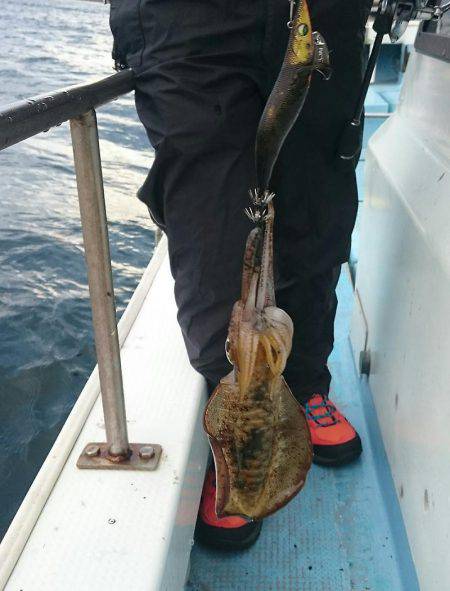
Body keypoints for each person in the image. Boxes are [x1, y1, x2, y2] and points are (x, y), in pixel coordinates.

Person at [110, 0, 372, 551]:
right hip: (188, 22)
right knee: (211, 225)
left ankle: (304, 384)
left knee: (316, 209)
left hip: (322, 12)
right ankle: (229, 431)